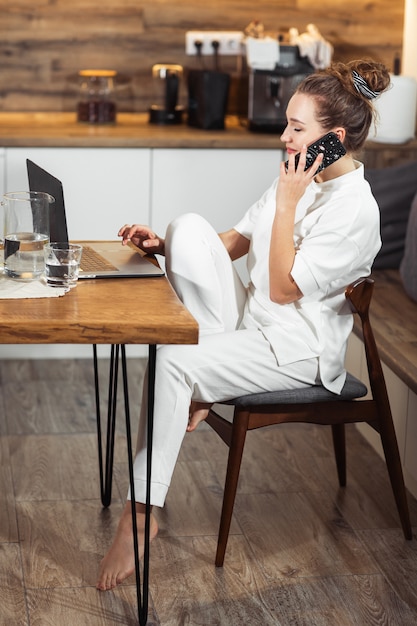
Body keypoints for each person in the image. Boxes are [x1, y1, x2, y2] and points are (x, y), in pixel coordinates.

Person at [96, 59, 390, 591]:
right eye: (288, 124)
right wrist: (167, 248)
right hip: (250, 325)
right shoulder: (304, 177)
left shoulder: (354, 211)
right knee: (187, 227)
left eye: (297, 129)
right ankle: (208, 378)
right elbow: (234, 240)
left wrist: (286, 203)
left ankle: (139, 516)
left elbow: (281, 289)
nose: (284, 138)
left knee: (172, 359)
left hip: (297, 352)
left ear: (335, 138)